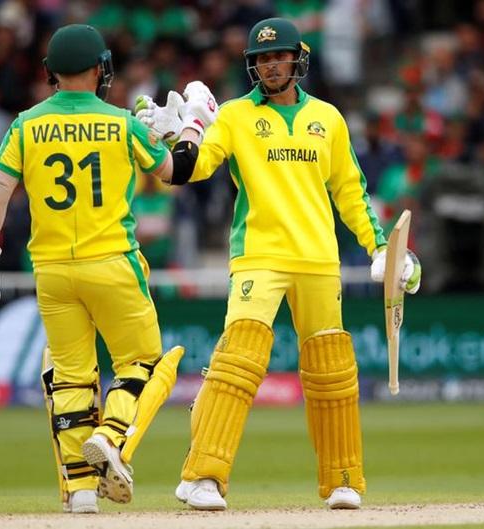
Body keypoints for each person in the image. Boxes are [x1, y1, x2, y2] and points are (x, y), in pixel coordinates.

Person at [135, 17, 421, 511]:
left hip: (317, 259)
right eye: (262, 58)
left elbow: (350, 191)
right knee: (238, 360)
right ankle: (202, 476)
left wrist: (381, 248)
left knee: (331, 369)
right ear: (253, 66)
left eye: (278, 56)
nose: (270, 65)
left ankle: (343, 481)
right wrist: (170, 137)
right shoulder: (234, 115)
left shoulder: (328, 119)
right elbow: (193, 167)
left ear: (297, 59)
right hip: (259, 255)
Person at [0, 24, 209, 514]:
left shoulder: (26, 124)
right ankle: (112, 436)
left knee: (70, 378)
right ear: (99, 69)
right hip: (113, 261)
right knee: (144, 363)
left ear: (49, 73)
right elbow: (176, 172)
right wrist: (193, 128)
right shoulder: (121, 122)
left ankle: (83, 491)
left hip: (51, 271)